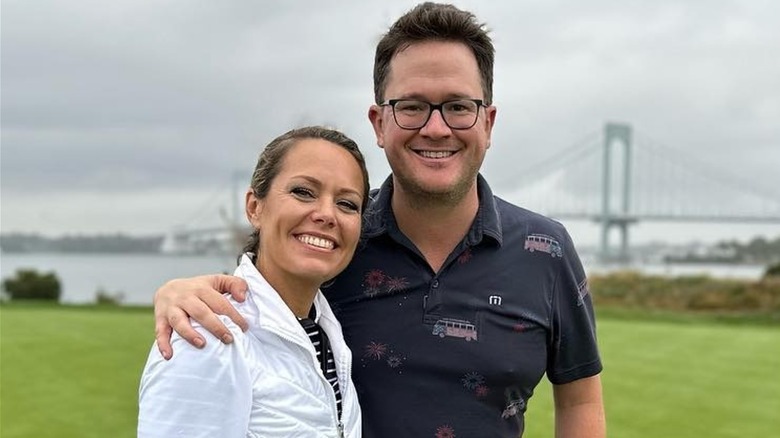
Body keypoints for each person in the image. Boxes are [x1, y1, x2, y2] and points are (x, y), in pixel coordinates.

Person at [152, 3, 606, 437]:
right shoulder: (335, 238)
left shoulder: (546, 250)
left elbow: (580, 400)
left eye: (458, 106)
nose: (435, 128)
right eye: (411, 106)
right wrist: (182, 292)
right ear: (378, 123)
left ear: (487, 122)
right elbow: (259, 296)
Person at [138, 126, 370, 437]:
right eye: (303, 192)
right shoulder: (209, 339)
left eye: (347, 204)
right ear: (254, 207)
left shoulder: (328, 333)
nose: (327, 214)